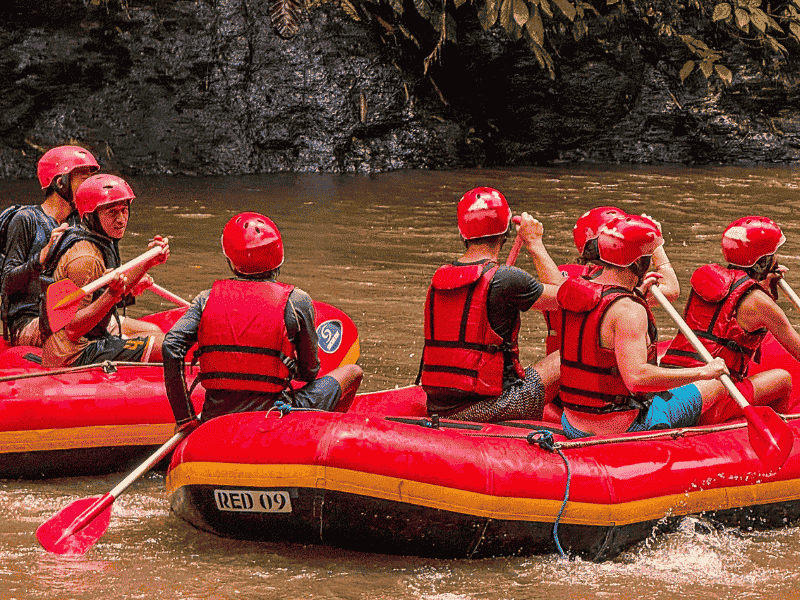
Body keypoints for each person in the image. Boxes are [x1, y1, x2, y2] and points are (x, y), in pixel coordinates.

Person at [163, 211, 363, 431]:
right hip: (273, 415)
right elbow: (310, 372)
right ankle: (322, 435)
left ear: (231, 261)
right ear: (279, 256)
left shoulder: (206, 299)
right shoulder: (297, 301)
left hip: (214, 416)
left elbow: (172, 344)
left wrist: (184, 417)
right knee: (352, 372)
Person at [557, 214, 730, 439]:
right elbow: (636, 378)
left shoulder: (573, 290)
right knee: (719, 383)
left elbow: (601, 324)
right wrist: (703, 372)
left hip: (572, 423)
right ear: (639, 263)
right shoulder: (628, 310)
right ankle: (699, 436)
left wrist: (635, 293)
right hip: (623, 427)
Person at [418, 186, 563, 423]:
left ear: (462, 233)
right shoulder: (507, 279)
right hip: (490, 408)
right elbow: (565, 297)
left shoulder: (439, 278)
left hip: (437, 406)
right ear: (505, 231)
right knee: (568, 354)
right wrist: (534, 243)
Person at [660, 216, 800, 422]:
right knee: (783, 379)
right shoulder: (761, 303)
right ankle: (787, 429)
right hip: (713, 399)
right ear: (764, 261)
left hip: (673, 384)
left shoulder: (707, 281)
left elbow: (729, 307)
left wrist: (762, 282)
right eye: (774, 254)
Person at [40, 174, 170, 367]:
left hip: (87, 341)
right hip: (72, 354)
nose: (121, 220)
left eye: (124, 210)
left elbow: (118, 289)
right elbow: (73, 330)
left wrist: (148, 262)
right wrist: (112, 295)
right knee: (167, 347)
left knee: (155, 332)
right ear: (91, 216)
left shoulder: (98, 241)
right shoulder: (85, 259)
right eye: (112, 213)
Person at [1, 145, 99, 346]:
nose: (90, 186)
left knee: (150, 330)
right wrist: (40, 259)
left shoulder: (79, 225)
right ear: (60, 182)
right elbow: (7, 283)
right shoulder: (25, 220)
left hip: (72, 315)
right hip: (29, 322)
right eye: (83, 179)